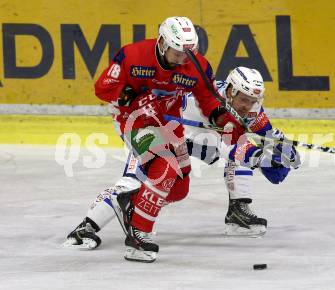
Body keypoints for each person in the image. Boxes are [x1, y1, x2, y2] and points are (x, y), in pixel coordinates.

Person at [64, 15, 297, 263]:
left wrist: (278, 150)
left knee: (178, 188)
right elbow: (103, 88)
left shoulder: (200, 69)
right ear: (163, 43)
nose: (183, 59)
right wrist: (131, 95)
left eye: (188, 52)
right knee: (147, 175)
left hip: (172, 126)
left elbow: (214, 105)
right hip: (136, 120)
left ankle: (133, 205)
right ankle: (89, 228)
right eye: (177, 52)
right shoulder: (133, 56)